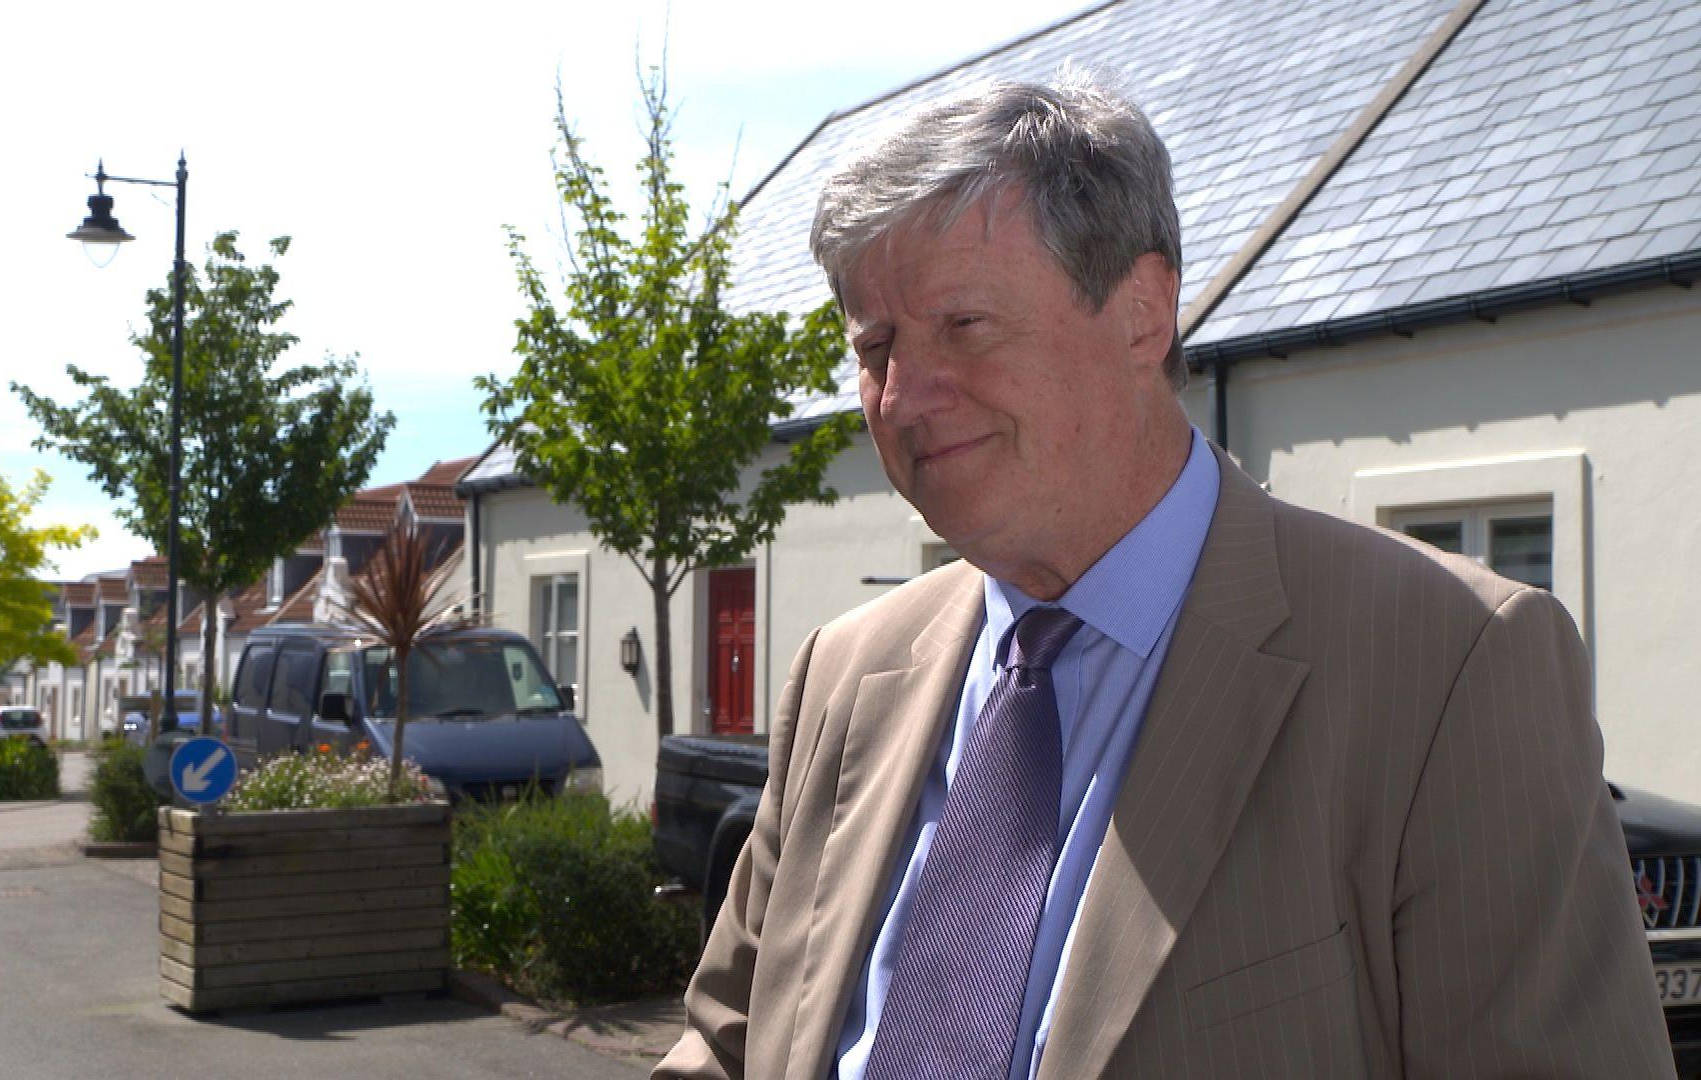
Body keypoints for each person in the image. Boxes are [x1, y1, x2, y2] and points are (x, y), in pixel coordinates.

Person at [655, 72, 1672, 1079]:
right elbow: (727, 1042)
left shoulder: (1448, 669)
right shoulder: (843, 674)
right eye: (875, 344)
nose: (904, 396)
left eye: (963, 325)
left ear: (1143, 312)